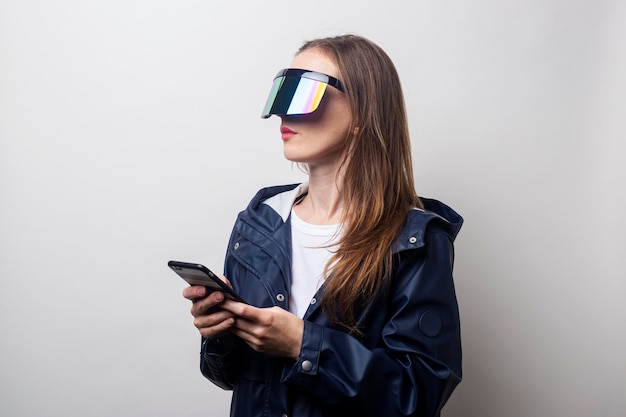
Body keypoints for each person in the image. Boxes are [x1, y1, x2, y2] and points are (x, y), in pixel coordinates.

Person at [183, 34, 463, 417]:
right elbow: (227, 375)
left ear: (364, 113)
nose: (283, 114)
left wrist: (303, 345)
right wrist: (218, 334)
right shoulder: (260, 220)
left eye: (304, 93)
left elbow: (418, 398)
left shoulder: (414, 240)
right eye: (281, 94)